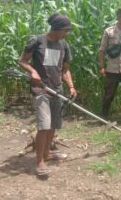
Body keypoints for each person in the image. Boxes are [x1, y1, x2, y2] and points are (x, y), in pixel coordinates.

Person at [18, 13, 77, 175]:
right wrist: (32, 71)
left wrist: (71, 87)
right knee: (44, 126)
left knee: (53, 125)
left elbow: (64, 69)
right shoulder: (37, 41)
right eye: (66, 30)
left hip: (57, 90)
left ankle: (47, 153)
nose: (67, 34)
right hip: (41, 90)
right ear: (57, 29)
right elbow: (22, 60)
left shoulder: (63, 45)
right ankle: (40, 162)